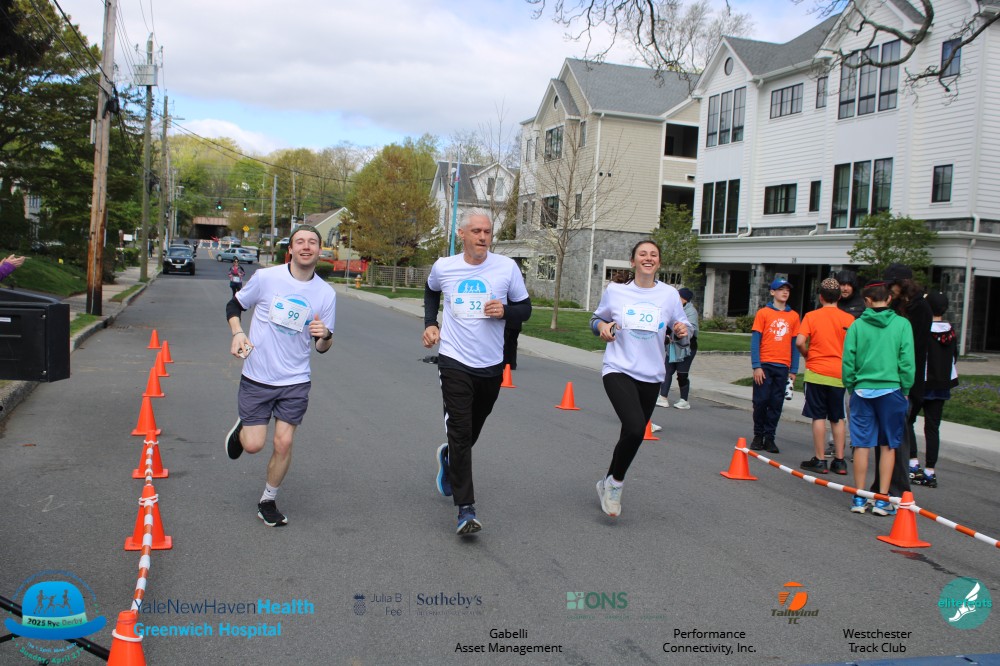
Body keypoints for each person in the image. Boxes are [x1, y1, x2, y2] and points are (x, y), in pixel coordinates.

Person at [423, 210, 531, 536]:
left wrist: (505, 311)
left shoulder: (506, 268)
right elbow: (431, 290)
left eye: (487, 231)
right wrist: (430, 323)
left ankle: (449, 459)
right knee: (459, 431)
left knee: (470, 432)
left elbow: (525, 310)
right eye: (476, 231)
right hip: (454, 360)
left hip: (491, 365)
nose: (483, 237)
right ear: (462, 234)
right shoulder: (445, 267)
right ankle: (465, 509)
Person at [223, 225, 336, 527]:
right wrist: (238, 332)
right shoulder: (267, 278)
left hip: (295, 380)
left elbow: (322, 347)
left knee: (283, 443)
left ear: (319, 250)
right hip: (258, 376)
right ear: (291, 249)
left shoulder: (325, 294)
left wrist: (325, 335)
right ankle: (244, 429)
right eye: (300, 241)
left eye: (312, 242)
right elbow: (234, 304)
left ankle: (268, 500)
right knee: (254, 445)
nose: (306, 246)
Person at [591, 240, 689, 517]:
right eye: (642, 254)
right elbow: (595, 320)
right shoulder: (616, 291)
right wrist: (602, 326)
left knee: (630, 434)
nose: (648, 258)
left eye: (653, 254)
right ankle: (616, 484)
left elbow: (684, 327)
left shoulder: (669, 295)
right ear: (633, 261)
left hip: (652, 374)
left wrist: (683, 331)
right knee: (636, 428)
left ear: (659, 262)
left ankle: (608, 481)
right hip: (618, 368)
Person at [842, 280, 914, 516]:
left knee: (861, 444)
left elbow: (848, 360)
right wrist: (906, 388)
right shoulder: (902, 324)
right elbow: (907, 360)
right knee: (888, 445)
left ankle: (859, 496)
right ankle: (882, 499)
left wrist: (851, 385)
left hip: (862, 389)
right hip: (891, 390)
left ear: (867, 301)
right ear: (890, 299)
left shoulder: (857, 326)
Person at [796, 278, 856, 475]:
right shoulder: (849, 319)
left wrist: (807, 354)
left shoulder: (811, 316)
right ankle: (839, 460)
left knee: (818, 416)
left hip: (816, 372)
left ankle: (820, 459)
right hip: (839, 374)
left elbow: (799, 341)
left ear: (820, 297)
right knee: (838, 417)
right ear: (839, 297)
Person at [910, 291, 959, 488]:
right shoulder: (951, 332)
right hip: (941, 385)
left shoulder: (924, 330)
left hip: (921, 383)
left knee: (908, 421)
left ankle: (913, 462)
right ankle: (930, 470)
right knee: (932, 428)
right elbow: (954, 357)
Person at [749, 278, 801, 454]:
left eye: (787, 290)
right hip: (765, 364)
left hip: (782, 366)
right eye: (781, 289)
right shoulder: (763, 313)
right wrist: (756, 365)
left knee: (776, 403)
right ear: (772, 292)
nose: (785, 292)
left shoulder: (793, 316)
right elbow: (755, 341)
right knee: (760, 402)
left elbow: (795, 344)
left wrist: (794, 369)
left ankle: (770, 437)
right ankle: (758, 435)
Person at [656, 287, 699, 410]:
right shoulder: (672, 308)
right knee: (667, 370)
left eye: (678, 297)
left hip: (686, 348)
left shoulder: (691, 311)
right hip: (672, 346)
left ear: (684, 299)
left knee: (682, 373)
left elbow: (692, 329)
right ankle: (663, 397)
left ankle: (684, 400)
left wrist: (680, 331)